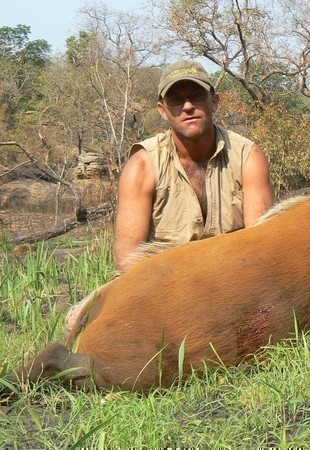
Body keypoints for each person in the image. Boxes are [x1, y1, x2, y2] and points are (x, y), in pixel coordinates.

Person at [64, 60, 273, 335]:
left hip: (231, 281)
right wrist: (185, 288)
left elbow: (261, 246)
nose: (187, 107)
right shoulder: (142, 165)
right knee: (76, 323)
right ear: (163, 111)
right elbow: (127, 260)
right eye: (176, 100)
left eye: (196, 97)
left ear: (215, 102)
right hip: (164, 284)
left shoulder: (248, 156)